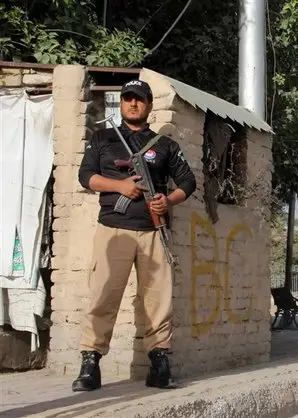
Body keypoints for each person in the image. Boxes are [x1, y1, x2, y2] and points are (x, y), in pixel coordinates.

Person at [73, 79, 197, 391]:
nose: (133, 103)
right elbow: (86, 176)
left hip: (153, 232)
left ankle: (159, 362)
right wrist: (120, 186)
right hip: (113, 230)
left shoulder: (165, 145)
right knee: (104, 296)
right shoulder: (103, 138)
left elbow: (188, 182)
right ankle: (90, 363)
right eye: (128, 98)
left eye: (139, 99)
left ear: (149, 105)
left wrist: (168, 201)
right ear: (121, 102)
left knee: (158, 300)